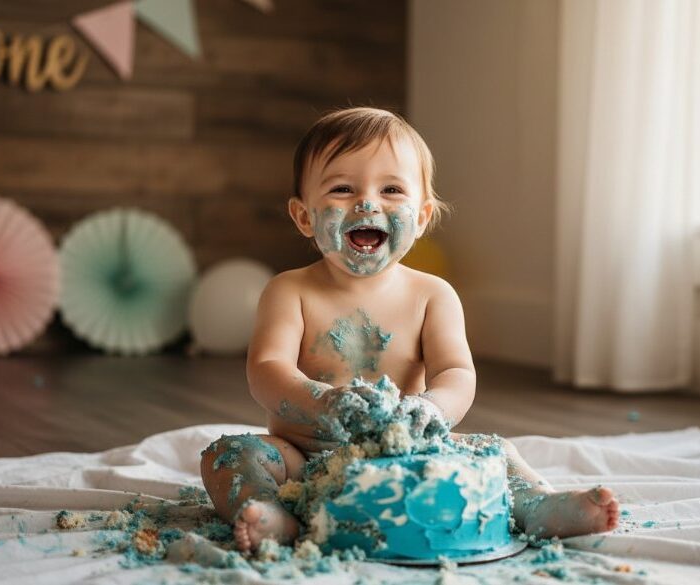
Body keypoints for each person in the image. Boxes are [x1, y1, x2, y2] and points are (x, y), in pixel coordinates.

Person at [200, 107, 619, 553]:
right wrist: (323, 402)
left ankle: (536, 506)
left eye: (391, 190)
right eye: (342, 189)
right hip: (303, 460)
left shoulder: (432, 295)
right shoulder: (289, 291)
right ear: (304, 217)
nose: (367, 203)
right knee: (227, 455)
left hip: (412, 455)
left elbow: (457, 373)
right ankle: (273, 512)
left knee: (496, 449)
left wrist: (432, 410)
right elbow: (266, 370)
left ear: (421, 218)